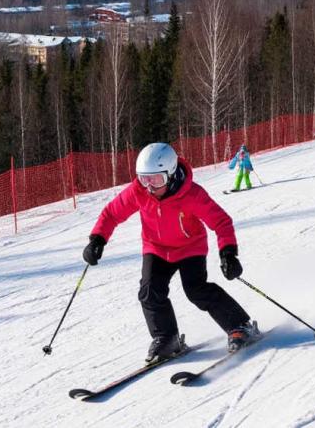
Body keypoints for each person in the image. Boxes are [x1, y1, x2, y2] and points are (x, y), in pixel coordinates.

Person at [82, 142, 257, 362]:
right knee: (149, 291)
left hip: (190, 247)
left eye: (156, 179)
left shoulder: (191, 194)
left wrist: (228, 252)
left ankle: (239, 326)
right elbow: (111, 214)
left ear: (172, 174)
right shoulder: (138, 192)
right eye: (144, 178)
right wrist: (97, 239)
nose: (149, 186)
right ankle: (166, 338)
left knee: (196, 289)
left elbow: (220, 221)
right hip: (156, 248)